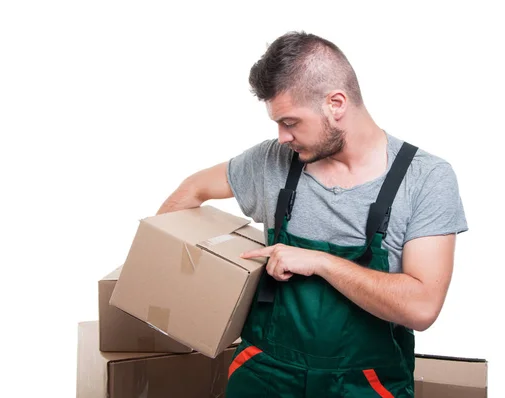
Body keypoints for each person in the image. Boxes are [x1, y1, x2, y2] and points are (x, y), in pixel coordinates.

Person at [157, 31, 468, 398]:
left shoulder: (425, 179)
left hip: (365, 384)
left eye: (290, 122)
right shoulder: (271, 162)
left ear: (336, 103)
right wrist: (161, 285)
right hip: (265, 374)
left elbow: (421, 307)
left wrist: (321, 262)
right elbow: (191, 191)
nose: (282, 136)